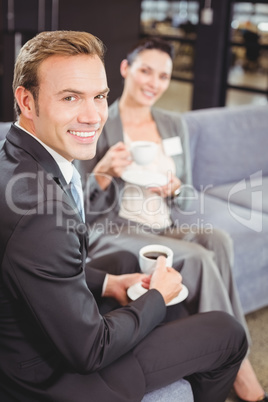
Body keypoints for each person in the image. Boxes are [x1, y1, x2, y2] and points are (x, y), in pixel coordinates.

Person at [0, 30, 248, 402]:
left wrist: (108, 283)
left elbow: (37, 263)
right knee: (228, 332)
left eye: (99, 96)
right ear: (26, 101)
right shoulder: (41, 210)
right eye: (70, 97)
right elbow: (89, 351)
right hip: (55, 379)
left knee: (132, 265)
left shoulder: (18, 159)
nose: (91, 115)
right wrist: (157, 300)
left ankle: (180, 350)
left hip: (36, 331)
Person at [76, 37, 267, 402]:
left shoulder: (172, 123)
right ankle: (240, 369)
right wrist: (101, 173)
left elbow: (189, 196)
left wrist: (177, 188)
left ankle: (227, 346)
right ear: (125, 69)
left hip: (164, 224)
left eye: (163, 76)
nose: (153, 82)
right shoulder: (99, 121)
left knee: (218, 240)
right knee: (198, 257)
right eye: (145, 70)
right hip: (116, 229)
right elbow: (81, 209)